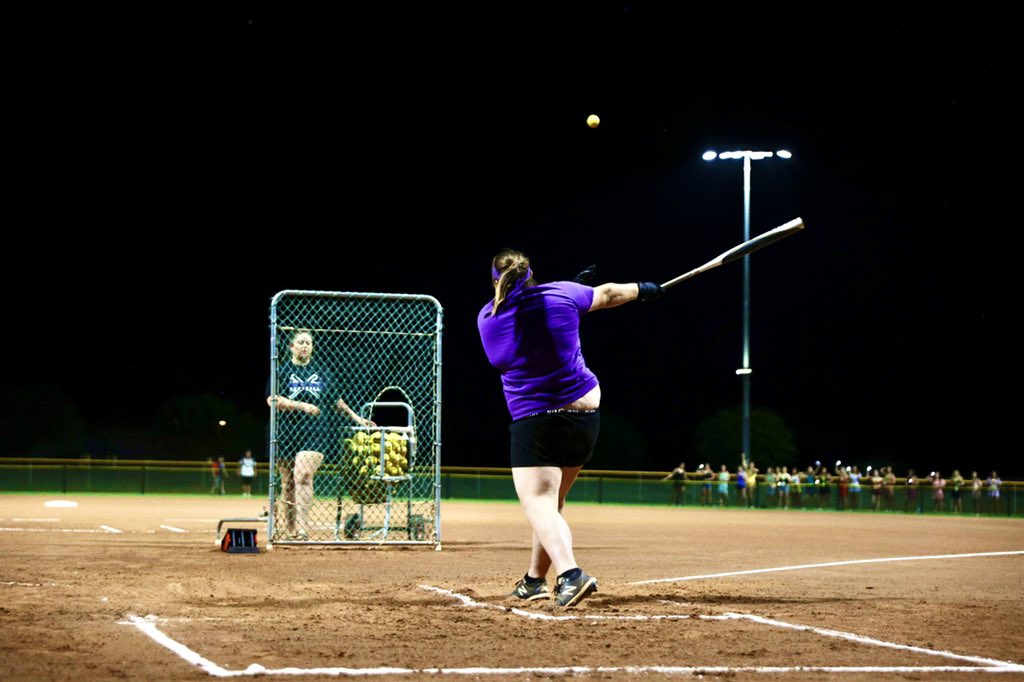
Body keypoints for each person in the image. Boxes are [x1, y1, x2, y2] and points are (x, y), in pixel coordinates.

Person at [477, 248, 662, 608]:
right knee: (552, 502)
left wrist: (566, 297)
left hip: (537, 420)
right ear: (531, 274)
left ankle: (570, 573)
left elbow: (503, 355)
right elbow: (608, 294)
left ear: (495, 282)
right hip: (585, 417)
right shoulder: (562, 293)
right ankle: (534, 580)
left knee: (539, 502)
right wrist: (644, 289)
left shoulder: (489, 317)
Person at [267, 330, 375, 540]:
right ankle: (289, 530)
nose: (305, 346)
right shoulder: (281, 371)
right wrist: (301, 406)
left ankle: (302, 529)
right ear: (292, 347)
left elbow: (337, 401)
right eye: (301, 342)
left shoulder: (322, 372)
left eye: (308, 342)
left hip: (315, 432)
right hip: (288, 432)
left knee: (304, 475)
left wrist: (357, 418)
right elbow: (272, 399)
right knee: (288, 483)